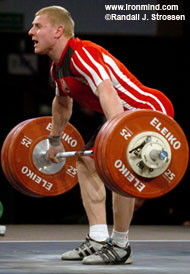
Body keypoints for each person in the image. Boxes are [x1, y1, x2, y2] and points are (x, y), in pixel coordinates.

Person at [28, 6, 174, 265]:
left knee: (118, 173)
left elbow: (107, 92)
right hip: (123, 116)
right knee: (86, 161)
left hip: (148, 112)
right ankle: (97, 239)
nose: (31, 32)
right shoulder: (57, 68)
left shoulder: (82, 53)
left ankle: (120, 245)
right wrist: (54, 139)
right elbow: (62, 104)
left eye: (38, 26)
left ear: (58, 30)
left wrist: (117, 134)